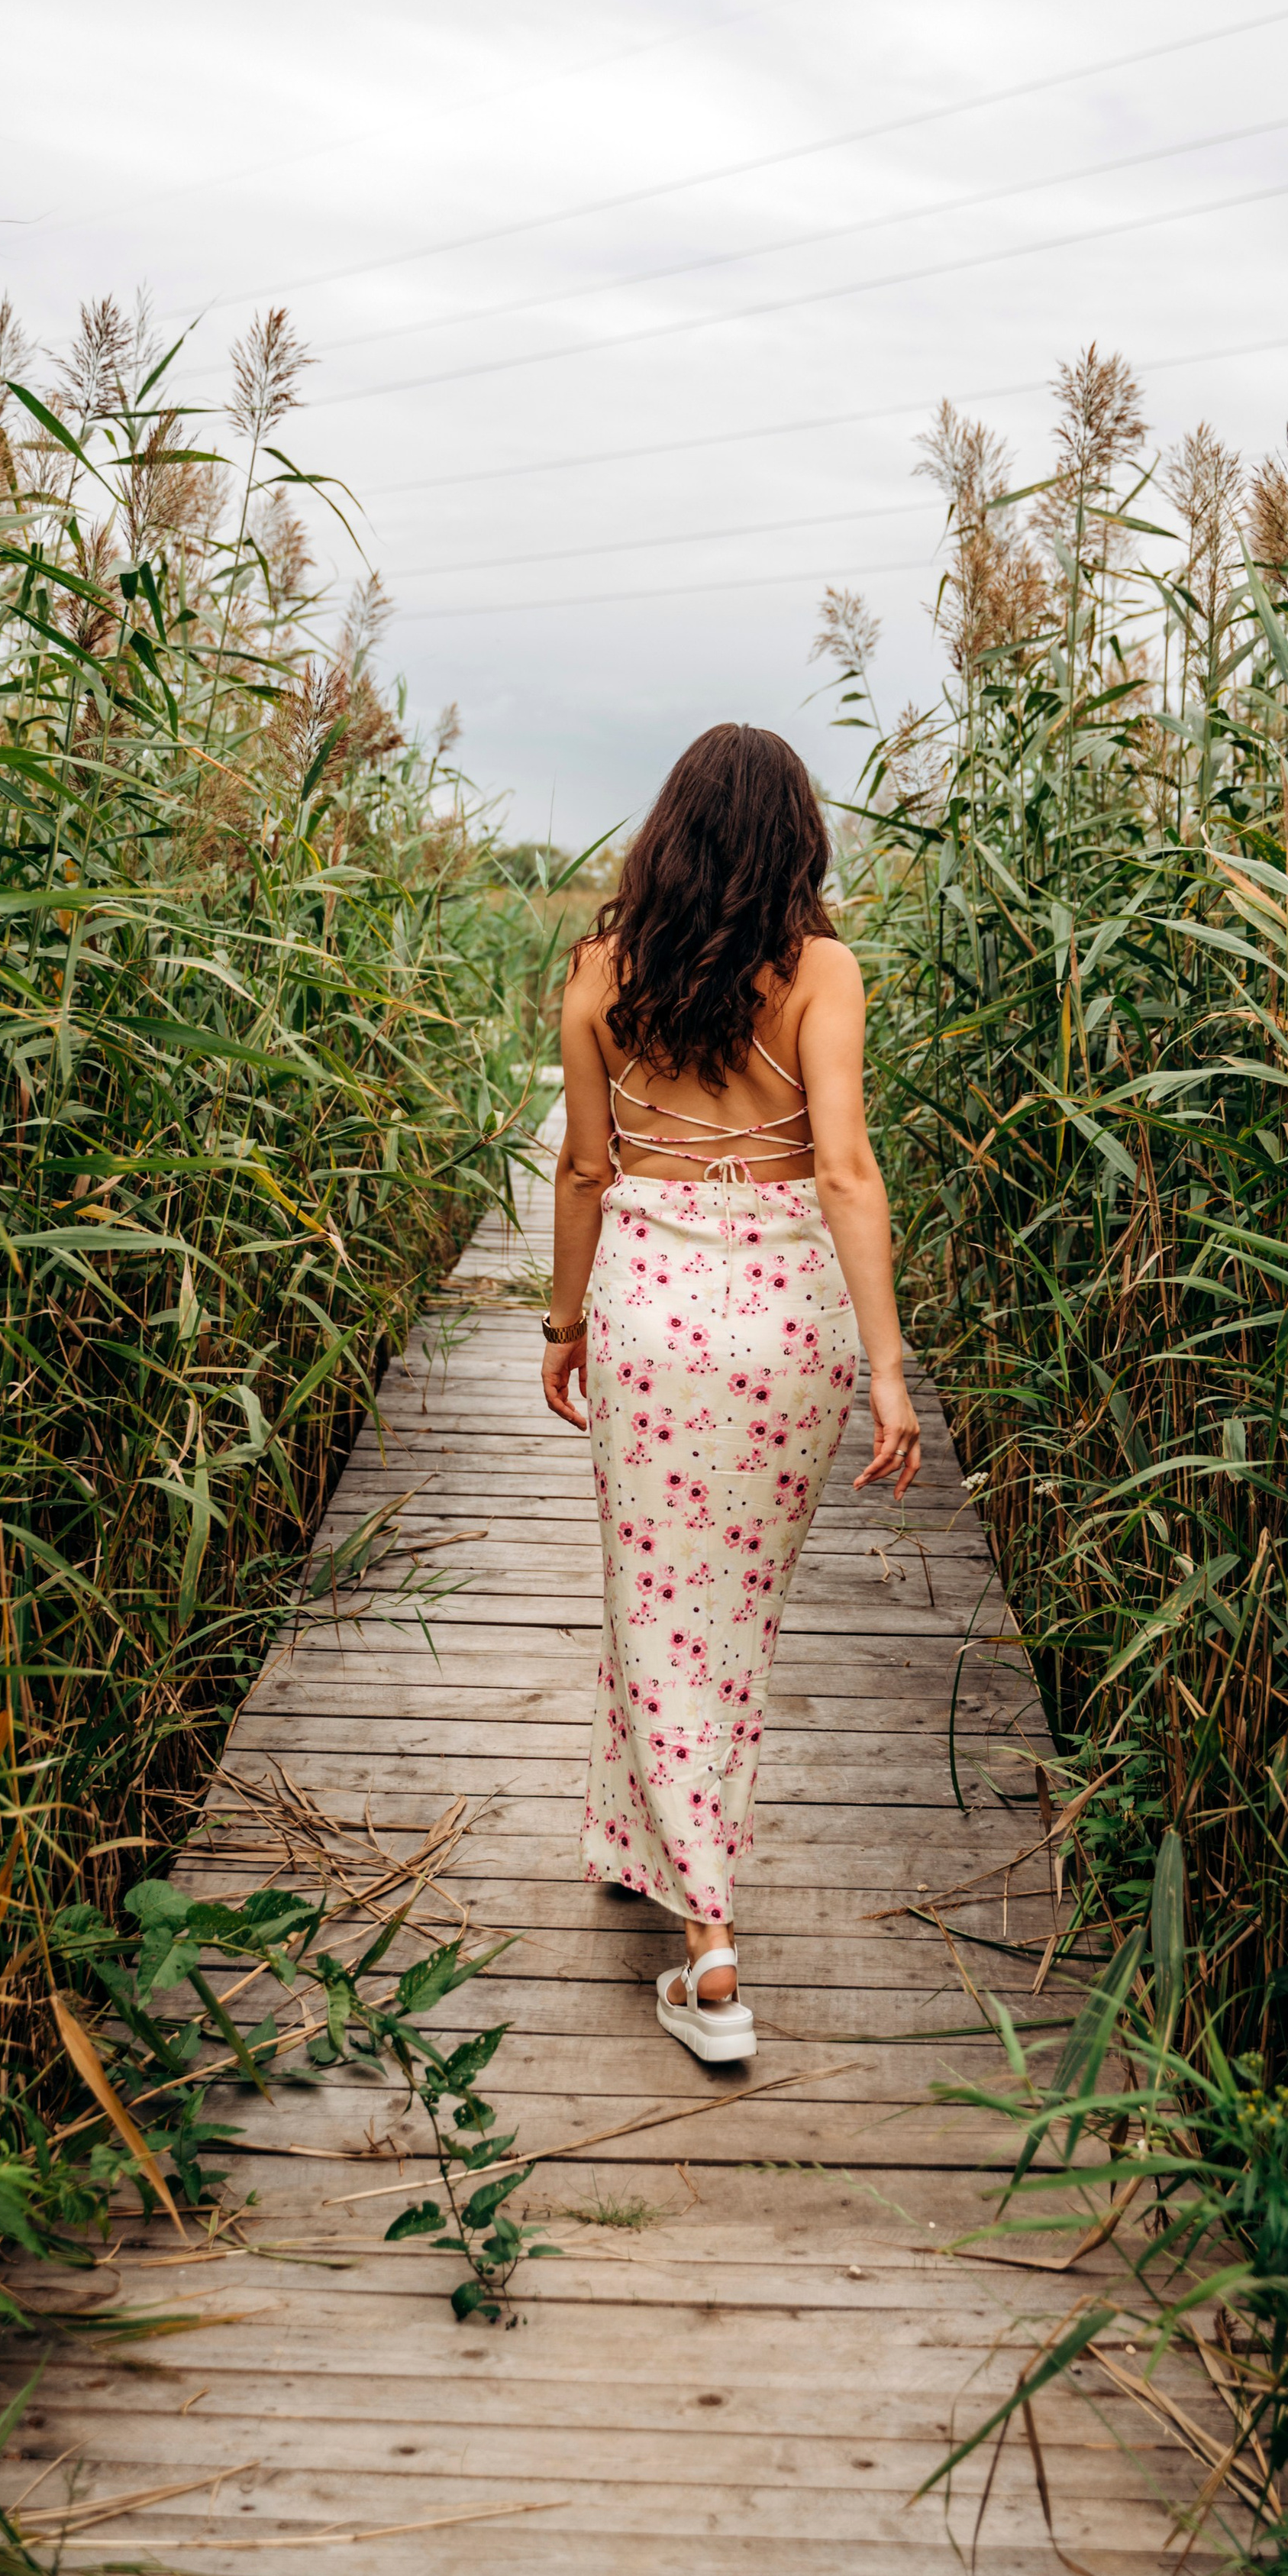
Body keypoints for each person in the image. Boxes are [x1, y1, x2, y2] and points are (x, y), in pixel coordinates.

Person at [541, 723, 921, 2064]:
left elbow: (585, 1173)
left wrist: (562, 1323)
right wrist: (885, 1366)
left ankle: (708, 1936)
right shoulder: (822, 970)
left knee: (653, 1595)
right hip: (784, 1333)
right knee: (722, 1620)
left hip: (647, 1314)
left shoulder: (600, 972)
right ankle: (630, 1842)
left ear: (671, 833)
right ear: (796, 839)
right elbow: (847, 1171)